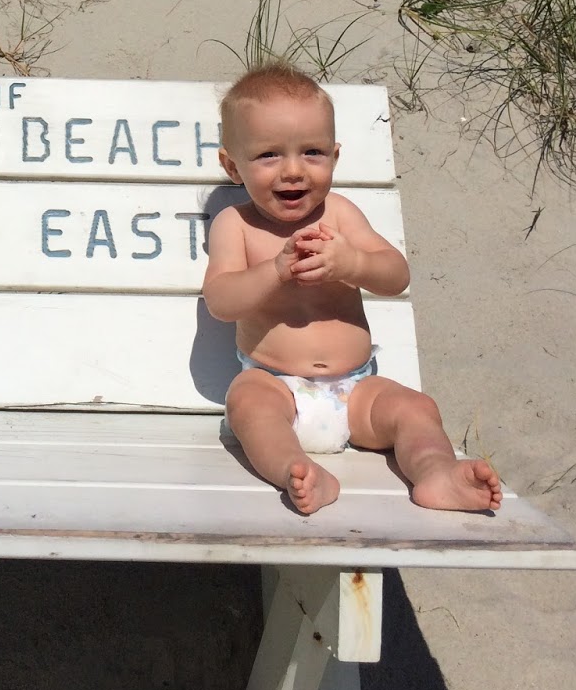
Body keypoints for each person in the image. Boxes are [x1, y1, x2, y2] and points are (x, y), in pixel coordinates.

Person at [203, 62, 502, 516]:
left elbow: (396, 275)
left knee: (415, 408)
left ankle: (436, 472)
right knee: (247, 404)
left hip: (357, 390)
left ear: (335, 156)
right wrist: (275, 271)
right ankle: (296, 470)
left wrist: (355, 263)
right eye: (268, 155)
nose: (293, 171)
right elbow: (221, 301)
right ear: (232, 166)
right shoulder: (235, 224)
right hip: (277, 386)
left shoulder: (340, 214)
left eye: (312, 152)